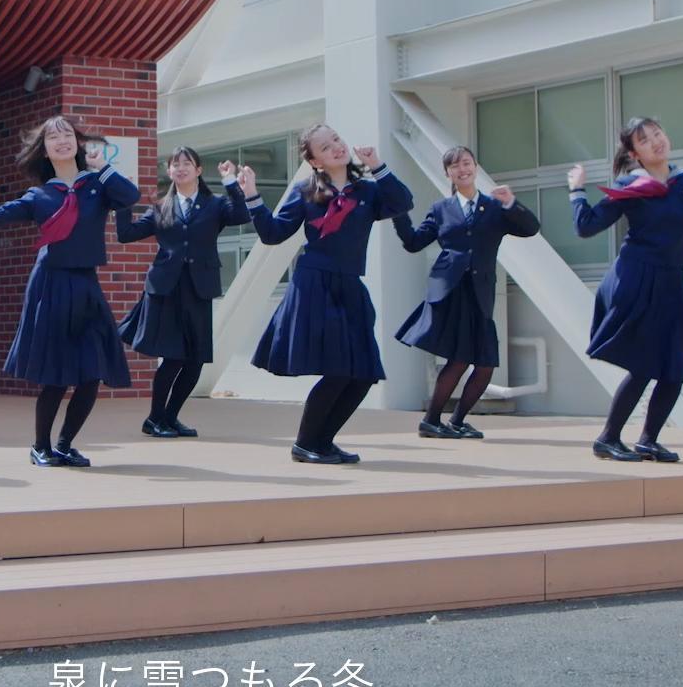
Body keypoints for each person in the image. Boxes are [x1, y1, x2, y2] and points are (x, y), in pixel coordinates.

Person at [570, 119, 683, 462]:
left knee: (674, 366)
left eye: (657, 134)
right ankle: (608, 438)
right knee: (646, 364)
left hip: (671, 280)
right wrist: (577, 191)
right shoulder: (631, 186)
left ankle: (648, 440)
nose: (656, 141)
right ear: (635, 154)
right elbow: (586, 226)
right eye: (645, 140)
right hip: (636, 278)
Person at [0, 115, 139, 467]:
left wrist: (103, 167)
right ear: (44, 150)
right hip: (50, 285)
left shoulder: (97, 185)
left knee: (91, 373)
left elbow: (131, 196)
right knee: (56, 375)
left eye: (67, 134)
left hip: (87, 285)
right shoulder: (39, 195)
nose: (61, 141)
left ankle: (65, 444)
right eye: (53, 137)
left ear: (77, 143)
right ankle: (41, 446)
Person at [248, 123, 414, 464]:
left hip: (349, 285)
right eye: (325, 147)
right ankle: (305, 443)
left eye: (336, 139)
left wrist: (377, 165)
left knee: (363, 373)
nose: (336, 147)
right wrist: (252, 195)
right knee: (340, 368)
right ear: (315, 161)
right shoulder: (305, 191)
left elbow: (402, 202)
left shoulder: (367, 191)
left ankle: (323, 442)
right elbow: (273, 233)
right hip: (315, 285)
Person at [392, 146, 540, 440]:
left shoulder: (495, 207)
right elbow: (413, 242)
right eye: (455, 166)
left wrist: (512, 203)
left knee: (485, 362)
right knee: (459, 359)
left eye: (467, 163)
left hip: (481, 293)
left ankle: (457, 420)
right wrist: (398, 213)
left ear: (475, 167)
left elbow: (531, 228)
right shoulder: (441, 209)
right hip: (451, 291)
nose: (462, 169)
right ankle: (432, 421)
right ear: (447, 173)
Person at [115, 147, 252, 438]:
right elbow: (125, 235)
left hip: (199, 288)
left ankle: (170, 417)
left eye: (187, 163)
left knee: (195, 359)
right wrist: (123, 202)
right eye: (175, 164)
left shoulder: (215, 204)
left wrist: (230, 182)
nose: (181, 168)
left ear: (199, 170)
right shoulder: (160, 207)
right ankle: (154, 419)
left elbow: (241, 214)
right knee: (174, 356)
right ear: (169, 172)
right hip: (166, 290)